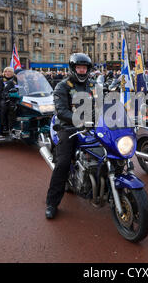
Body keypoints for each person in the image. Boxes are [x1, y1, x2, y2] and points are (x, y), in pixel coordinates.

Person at [45, 53, 95, 219]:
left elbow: (103, 105)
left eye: (84, 68)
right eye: (79, 68)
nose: (82, 71)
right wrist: (79, 120)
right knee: (63, 163)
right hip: (68, 127)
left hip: (90, 127)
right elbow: (61, 110)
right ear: (73, 69)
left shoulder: (92, 86)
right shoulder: (62, 86)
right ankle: (52, 203)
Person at [0, 67, 18, 133]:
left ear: (12, 73)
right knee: (4, 106)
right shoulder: (1, 80)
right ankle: (4, 126)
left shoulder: (16, 80)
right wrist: (5, 96)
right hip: (4, 98)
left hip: (16, 97)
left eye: (9, 71)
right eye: (6, 71)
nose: (7, 73)